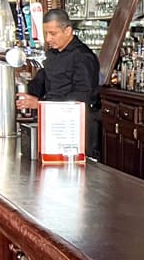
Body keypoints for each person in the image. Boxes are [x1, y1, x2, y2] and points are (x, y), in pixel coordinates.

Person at [17, 9, 101, 158]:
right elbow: (40, 82)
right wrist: (21, 91)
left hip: (77, 128)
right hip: (54, 124)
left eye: (53, 33)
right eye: (46, 33)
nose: (48, 39)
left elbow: (81, 97)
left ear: (68, 31)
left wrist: (40, 104)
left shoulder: (84, 57)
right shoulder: (52, 55)